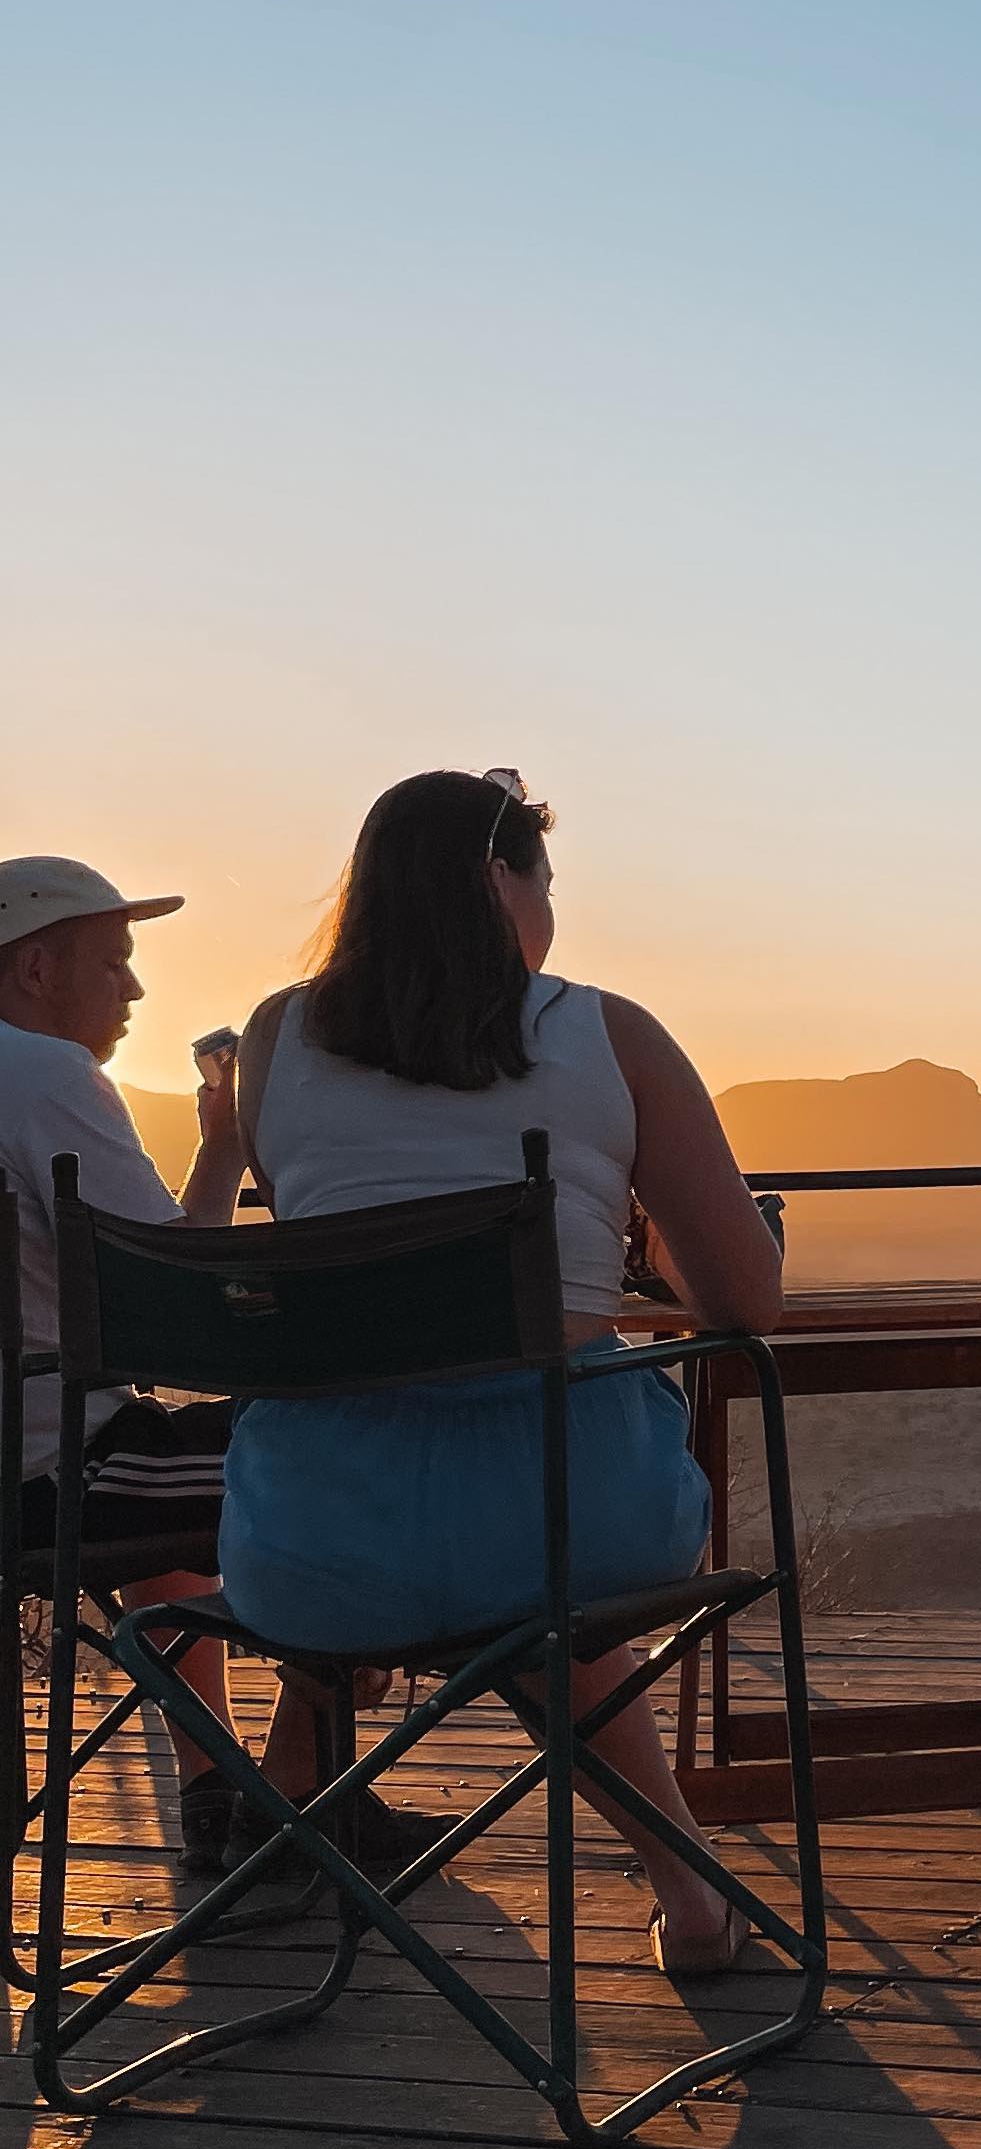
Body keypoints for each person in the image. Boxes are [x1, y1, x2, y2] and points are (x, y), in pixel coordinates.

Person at [231, 768, 783, 1979]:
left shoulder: (276, 1036)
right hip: (577, 1513)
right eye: (546, 883)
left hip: (321, 1530)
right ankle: (691, 1893)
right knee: (536, 1522)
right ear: (500, 882)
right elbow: (746, 1302)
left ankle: (295, 1834)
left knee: (495, 1503)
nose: (552, 915)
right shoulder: (608, 1032)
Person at [1, 854, 258, 1871]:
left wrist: (218, 1155)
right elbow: (182, 1308)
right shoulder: (48, 1075)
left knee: (170, 1463)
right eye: (114, 964)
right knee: (335, 1453)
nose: (137, 991)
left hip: (58, 1454)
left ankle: (218, 1792)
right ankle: (291, 1793)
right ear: (34, 972)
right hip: (48, 1476)